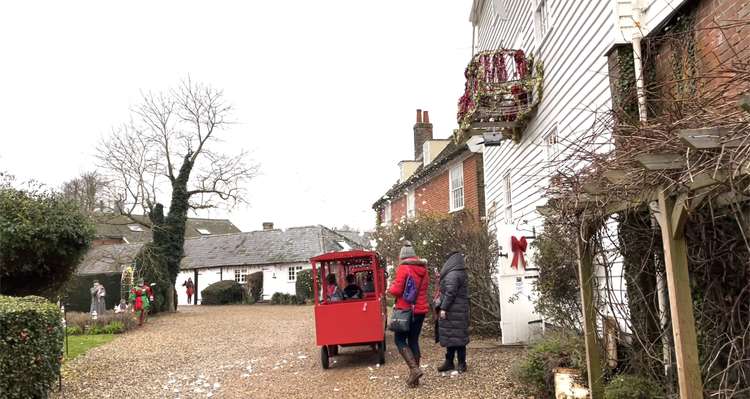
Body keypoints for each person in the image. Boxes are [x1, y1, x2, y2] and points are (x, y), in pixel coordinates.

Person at [388, 241, 429, 388]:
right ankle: (415, 378)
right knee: (413, 341)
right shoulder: (423, 269)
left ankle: (414, 369)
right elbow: (423, 289)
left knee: (399, 340)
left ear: (402, 257)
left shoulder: (404, 268)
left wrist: (390, 287)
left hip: (406, 310)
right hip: (420, 311)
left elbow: (397, 291)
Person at [435, 251, 470, 373]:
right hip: (459, 310)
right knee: (455, 336)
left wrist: (443, 308)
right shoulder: (460, 271)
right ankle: (456, 363)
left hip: (453, 310)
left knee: (455, 337)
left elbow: (450, 292)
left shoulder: (452, 274)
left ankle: (458, 363)